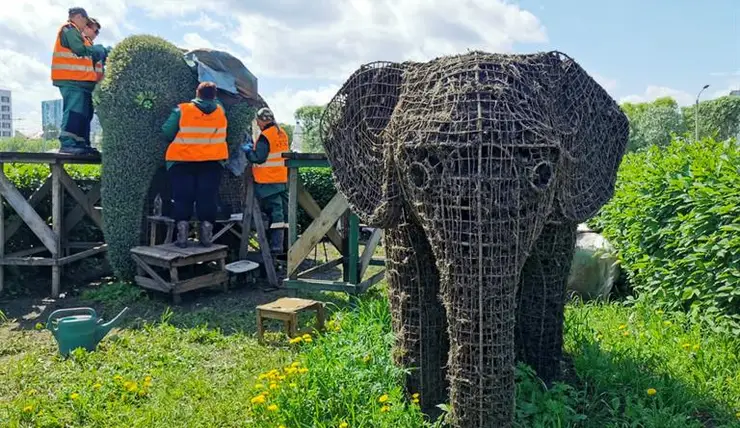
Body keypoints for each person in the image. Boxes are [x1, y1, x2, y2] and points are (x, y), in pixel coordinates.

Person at [161, 82, 229, 248]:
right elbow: (217, 104)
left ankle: (182, 233)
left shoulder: (182, 110)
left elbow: (166, 132)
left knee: (182, 196)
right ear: (214, 95)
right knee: (207, 197)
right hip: (212, 162)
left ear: (196, 93)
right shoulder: (221, 111)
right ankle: (206, 233)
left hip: (182, 161)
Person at [51, 7, 106, 155]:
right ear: (79, 17)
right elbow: (78, 49)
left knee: (82, 113)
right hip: (71, 80)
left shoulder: (81, 37)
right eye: (86, 22)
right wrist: (98, 50)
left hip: (81, 82)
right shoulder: (69, 29)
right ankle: (68, 143)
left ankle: (80, 143)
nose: (85, 25)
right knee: (74, 111)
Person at [242, 107, 289, 254]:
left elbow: (259, 158)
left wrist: (249, 150)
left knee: (275, 213)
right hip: (281, 178)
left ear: (261, 121)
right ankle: (286, 245)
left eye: (258, 121)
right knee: (285, 213)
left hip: (268, 180)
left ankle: (276, 246)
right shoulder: (282, 133)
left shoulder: (265, 137)